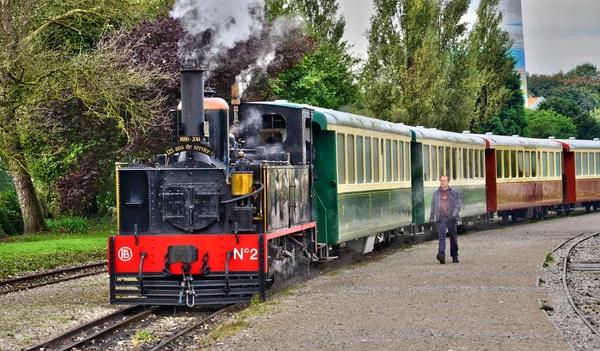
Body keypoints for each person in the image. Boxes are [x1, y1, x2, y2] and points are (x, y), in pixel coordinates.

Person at [429, 175, 462, 264]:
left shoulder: (453, 193)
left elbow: (458, 204)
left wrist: (454, 214)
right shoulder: (436, 193)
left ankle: (454, 255)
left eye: (444, 181)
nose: (442, 182)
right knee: (441, 237)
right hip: (441, 218)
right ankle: (441, 255)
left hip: (451, 218)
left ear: (448, 182)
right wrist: (431, 217)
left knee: (453, 237)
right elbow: (433, 206)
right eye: (441, 181)